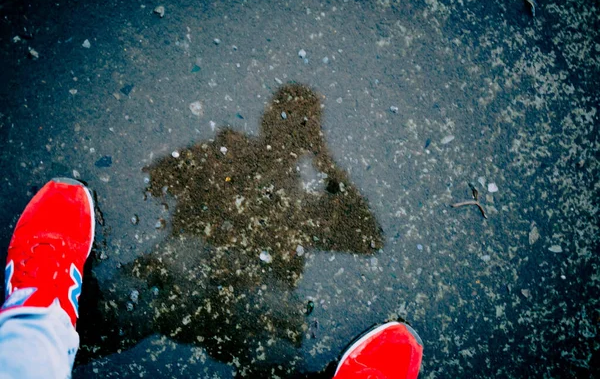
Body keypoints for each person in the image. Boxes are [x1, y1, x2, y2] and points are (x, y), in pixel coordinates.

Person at [0, 178, 423, 378]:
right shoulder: (231, 147)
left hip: (249, 304)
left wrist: (322, 154)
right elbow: (155, 178)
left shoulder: (308, 196)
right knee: (156, 286)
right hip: (185, 278)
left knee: (272, 343)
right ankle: (45, 316)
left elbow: (368, 237)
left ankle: (38, 318)